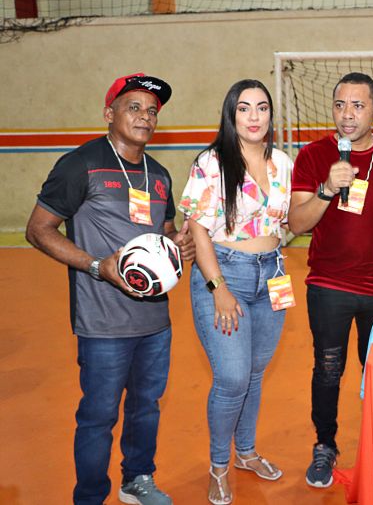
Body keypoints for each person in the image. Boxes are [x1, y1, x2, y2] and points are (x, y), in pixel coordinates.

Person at [25, 73, 194, 505]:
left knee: (146, 408)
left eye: (152, 110)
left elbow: (166, 231)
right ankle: (90, 496)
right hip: (101, 323)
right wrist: (98, 265)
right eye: (134, 106)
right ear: (110, 113)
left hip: (155, 321)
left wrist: (180, 246)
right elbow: (39, 230)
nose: (145, 116)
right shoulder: (80, 164)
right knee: (98, 418)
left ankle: (137, 479)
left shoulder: (158, 175)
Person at [288, 72, 373, 488]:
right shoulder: (312, 156)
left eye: (358, 105)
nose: (348, 115)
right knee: (328, 368)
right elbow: (296, 222)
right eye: (340, 105)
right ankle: (325, 445)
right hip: (328, 283)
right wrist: (327, 188)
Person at [179, 79, 292, 505]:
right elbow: (198, 230)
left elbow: (283, 226)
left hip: (271, 275)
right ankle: (218, 466)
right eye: (244, 109)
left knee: (255, 373)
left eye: (262, 108)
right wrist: (218, 288)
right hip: (225, 274)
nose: (254, 117)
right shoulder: (211, 162)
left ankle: (245, 452)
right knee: (231, 378)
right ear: (231, 115)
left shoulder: (282, 162)